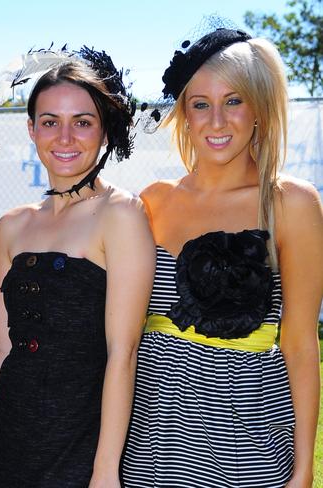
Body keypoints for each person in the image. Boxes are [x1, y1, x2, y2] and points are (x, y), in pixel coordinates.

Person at [121, 28, 323, 487]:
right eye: (200, 104)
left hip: (250, 460)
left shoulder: (291, 203)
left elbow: (300, 345)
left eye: (233, 101)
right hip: (151, 457)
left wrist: (304, 470)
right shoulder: (150, 202)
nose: (217, 121)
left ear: (259, 109)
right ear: (184, 115)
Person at [0, 48, 156, 487]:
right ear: (31, 129)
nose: (65, 137)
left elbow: (124, 354)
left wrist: (105, 470)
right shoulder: (13, 224)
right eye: (50, 122)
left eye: (82, 122)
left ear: (104, 130)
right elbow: (1, 345)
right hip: (11, 438)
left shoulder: (121, 214)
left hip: (80, 444)